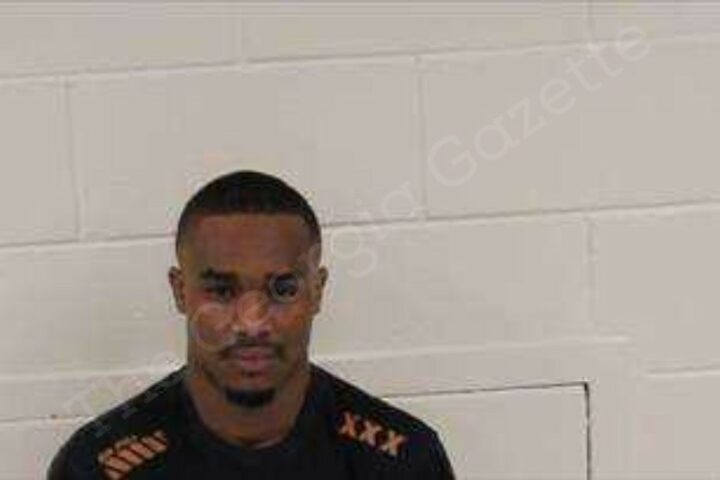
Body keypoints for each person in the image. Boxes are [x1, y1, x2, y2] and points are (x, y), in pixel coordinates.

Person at [48, 170, 455, 479]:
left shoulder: (402, 462)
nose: (251, 322)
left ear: (317, 291)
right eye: (221, 291)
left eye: (282, 290)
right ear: (180, 291)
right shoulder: (97, 468)